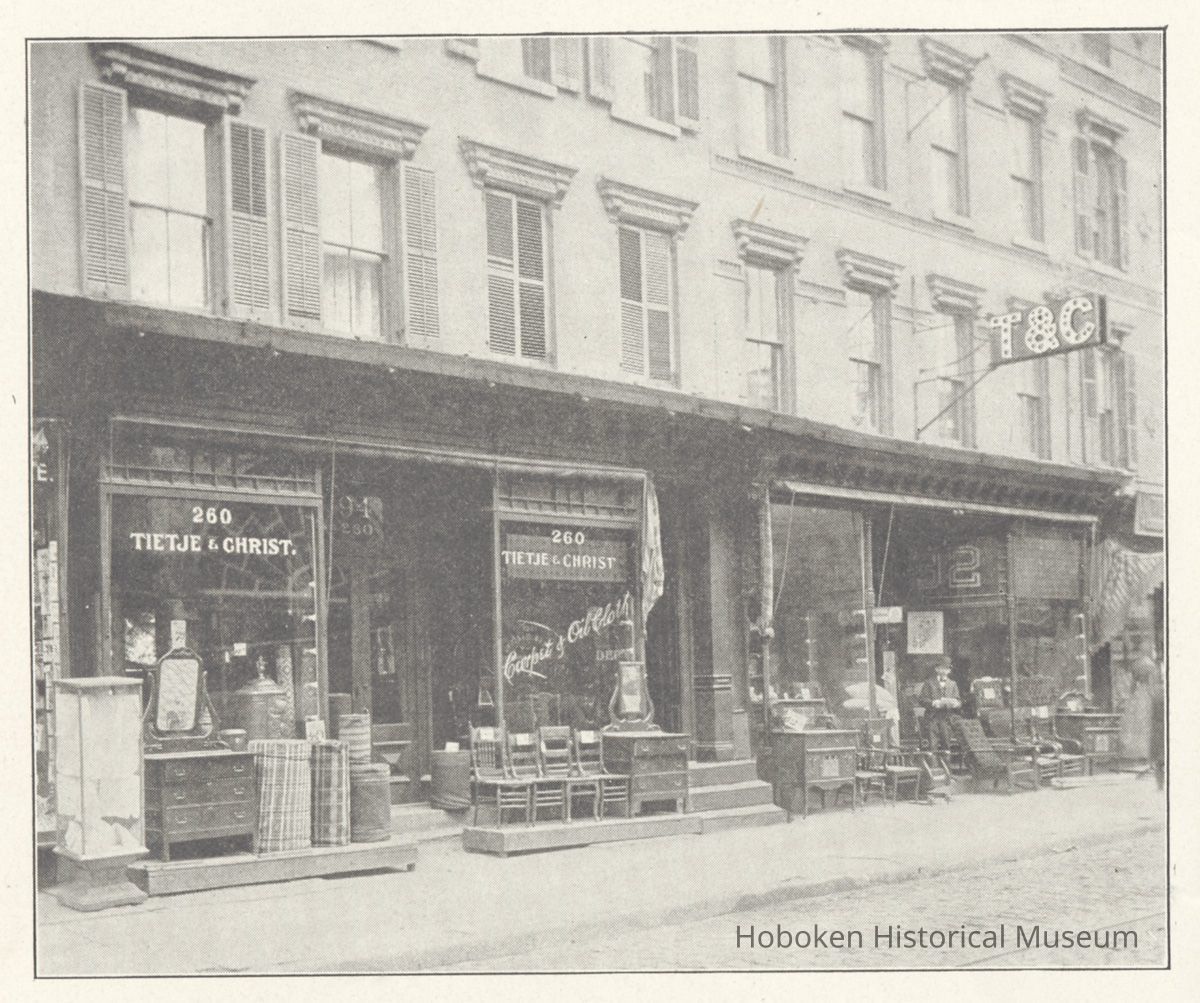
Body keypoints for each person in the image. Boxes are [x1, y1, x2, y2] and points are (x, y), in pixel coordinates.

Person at [919, 655, 962, 752]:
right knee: (932, 746)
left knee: (946, 745)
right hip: (932, 718)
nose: (943, 671)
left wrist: (956, 704)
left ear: (949, 671)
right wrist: (933, 703)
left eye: (946, 669)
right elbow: (922, 700)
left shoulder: (953, 684)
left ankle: (946, 766)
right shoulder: (929, 683)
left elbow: (959, 701)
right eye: (941, 668)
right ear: (936, 669)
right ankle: (933, 767)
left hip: (947, 719)